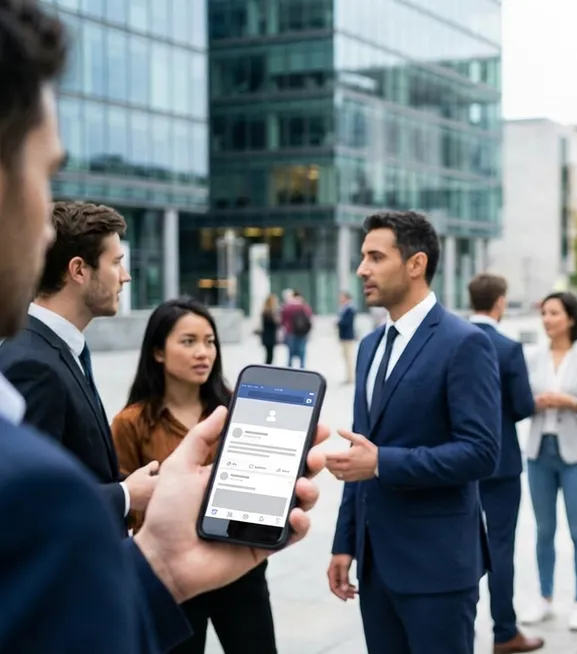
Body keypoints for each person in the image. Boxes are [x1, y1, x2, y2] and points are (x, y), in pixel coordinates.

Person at [0, 4, 327, 649]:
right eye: (43, 172)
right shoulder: (31, 376)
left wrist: (161, 569)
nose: (43, 224)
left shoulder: (54, 361)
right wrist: (125, 502)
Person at [326, 210, 501, 654]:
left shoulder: (464, 342)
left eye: (375, 257)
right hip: (374, 564)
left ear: (415, 264)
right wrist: (344, 542)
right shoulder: (370, 346)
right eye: (362, 257)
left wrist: (382, 463)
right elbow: (360, 450)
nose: (361, 269)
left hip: (437, 568)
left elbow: (481, 452)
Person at [111, 298, 278, 654]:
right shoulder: (131, 422)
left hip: (238, 563)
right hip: (172, 571)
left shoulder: (237, 409)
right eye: (188, 342)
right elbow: (127, 503)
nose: (203, 352)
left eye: (210, 341)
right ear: (158, 352)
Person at [0, 200, 157, 533]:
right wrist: (126, 495)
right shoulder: (32, 365)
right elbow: (25, 500)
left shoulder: (57, 349)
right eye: (116, 263)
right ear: (79, 270)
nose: (126, 277)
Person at [520, 291, 577, 631]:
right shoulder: (532, 356)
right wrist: (534, 403)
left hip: (576, 457)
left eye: (554, 313)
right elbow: (519, 401)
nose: (547, 319)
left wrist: (572, 403)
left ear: (571, 318)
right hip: (539, 454)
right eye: (544, 313)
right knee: (544, 531)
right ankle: (544, 598)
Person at [467, 273, 544, 653]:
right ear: (499, 302)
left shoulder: (449, 341)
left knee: (460, 543)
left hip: (457, 461)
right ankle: (504, 632)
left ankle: (462, 629)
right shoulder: (508, 348)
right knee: (500, 546)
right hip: (500, 460)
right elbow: (524, 405)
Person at [280, 291, 312, 368]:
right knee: (302, 350)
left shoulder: (287, 307)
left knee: (290, 351)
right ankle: (302, 367)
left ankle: (290, 367)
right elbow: (309, 316)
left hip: (290, 331)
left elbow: (282, 320)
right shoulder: (304, 306)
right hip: (302, 331)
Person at [337, 290, 358, 384]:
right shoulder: (343, 309)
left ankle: (351, 378)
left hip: (348, 337)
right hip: (344, 336)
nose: (340, 299)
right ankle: (348, 377)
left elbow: (346, 322)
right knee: (346, 357)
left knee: (349, 358)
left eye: (342, 297)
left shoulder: (350, 309)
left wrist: (338, 323)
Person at [258, 294, 279, 365]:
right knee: (269, 355)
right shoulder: (268, 312)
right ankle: (267, 367)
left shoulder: (266, 311)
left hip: (268, 336)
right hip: (269, 336)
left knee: (269, 354)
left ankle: (268, 366)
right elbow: (274, 323)